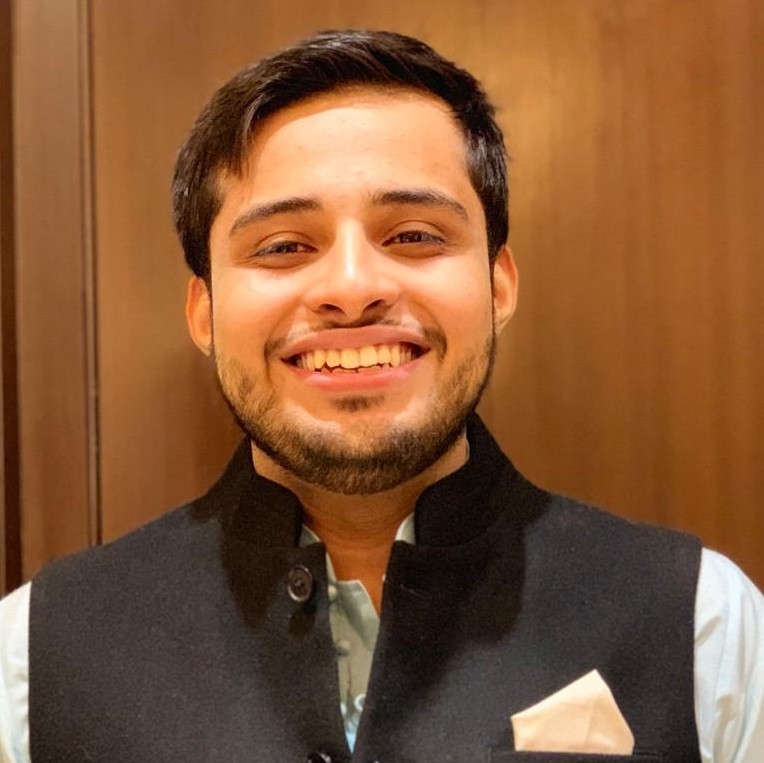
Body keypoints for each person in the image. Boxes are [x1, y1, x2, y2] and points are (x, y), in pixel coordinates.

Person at [1, 29, 762, 763]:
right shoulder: (31, 658)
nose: (352, 287)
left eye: (415, 236)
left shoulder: (706, 626)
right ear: (203, 312)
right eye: (284, 246)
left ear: (498, 285)